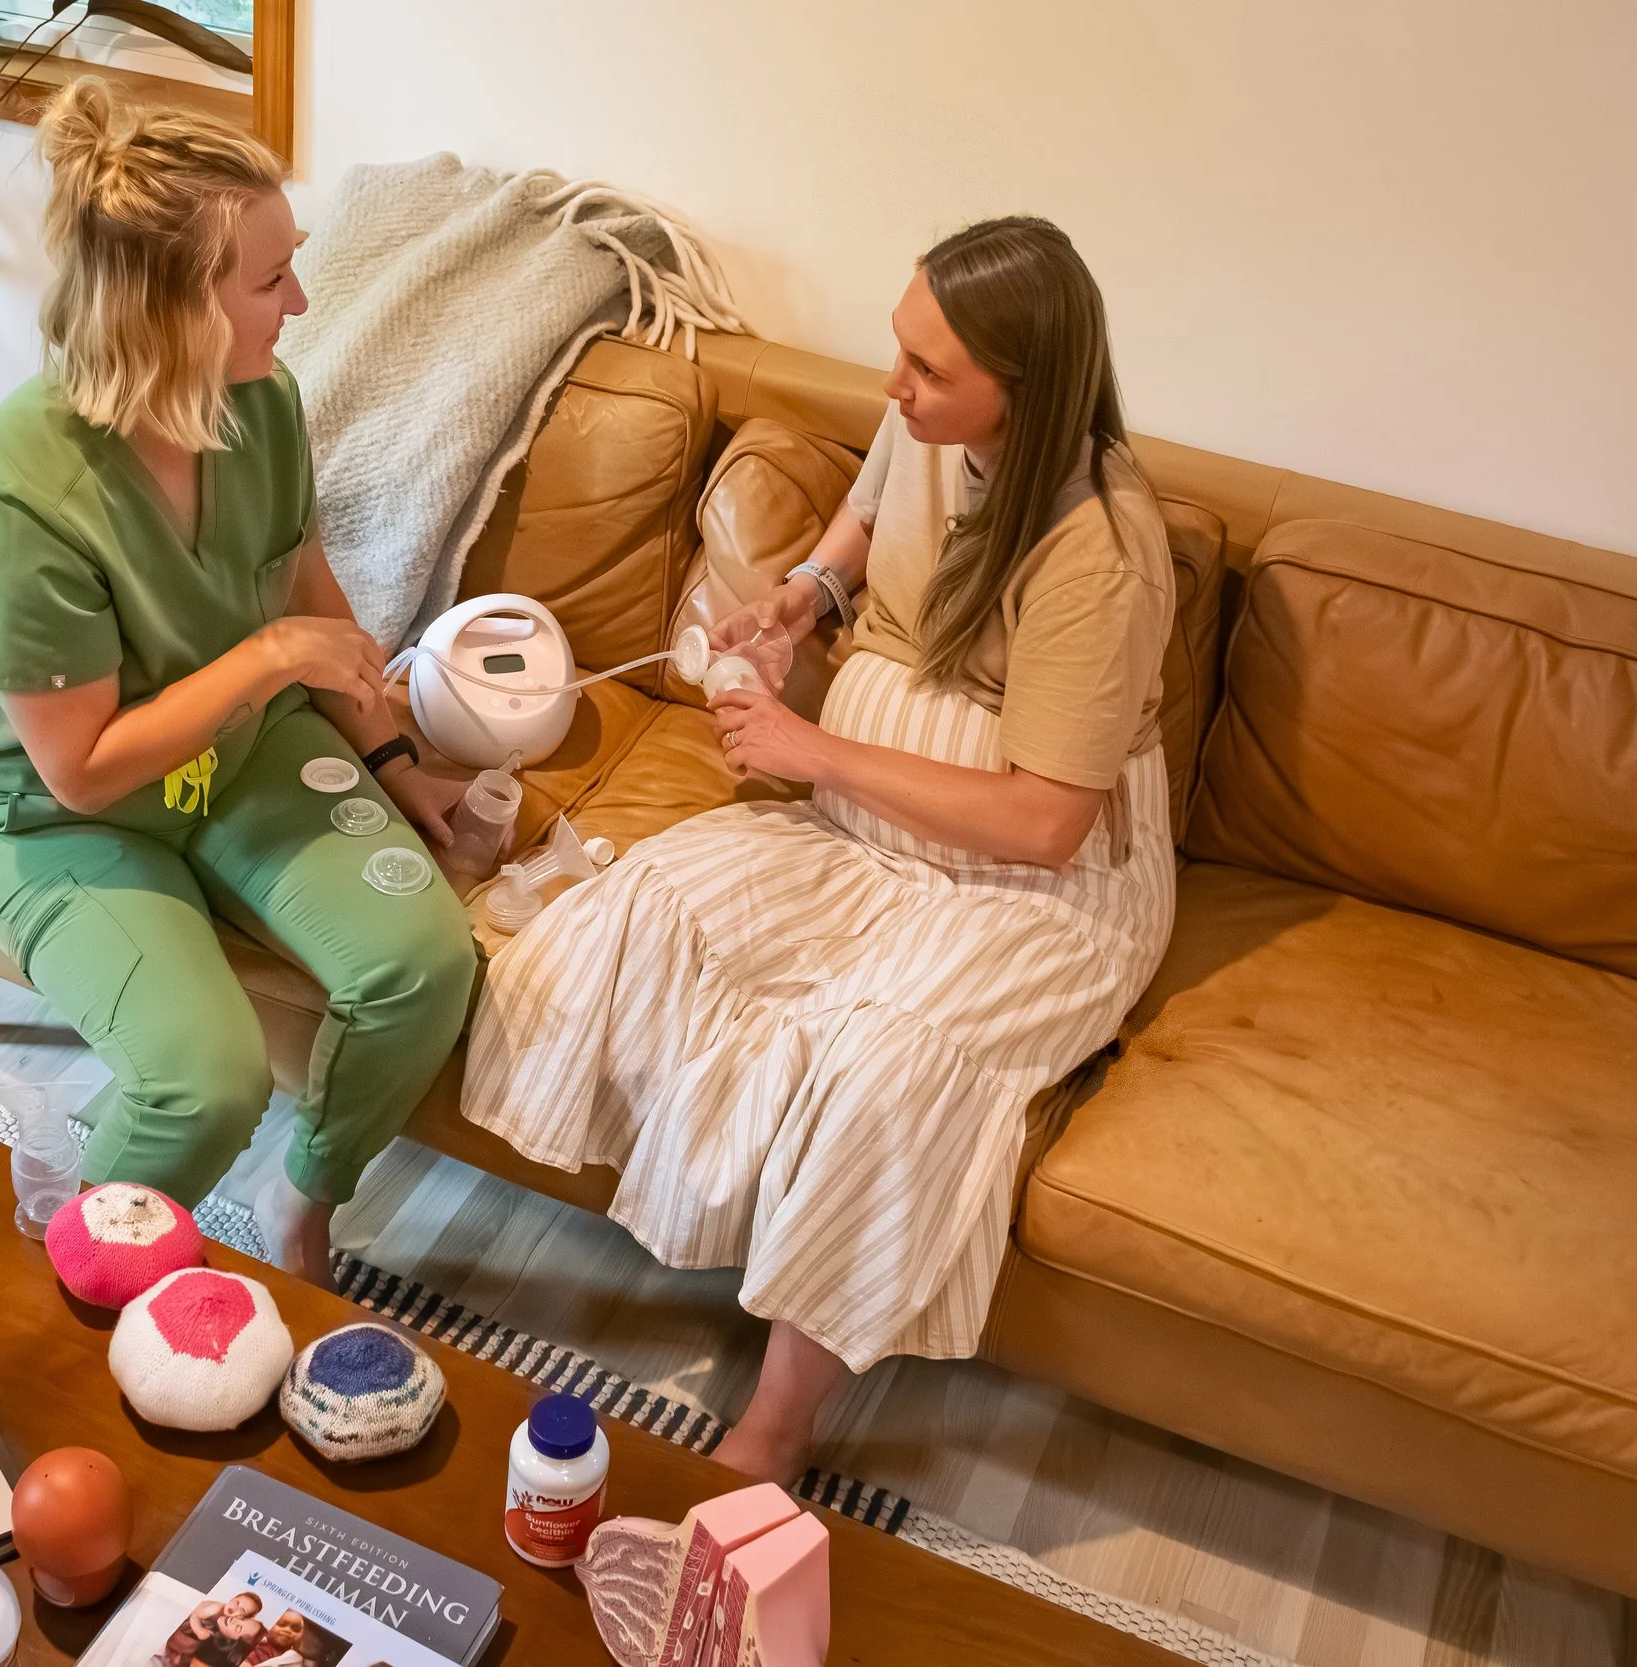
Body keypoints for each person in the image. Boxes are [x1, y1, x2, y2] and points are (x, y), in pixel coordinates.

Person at [461, 217, 1177, 1484]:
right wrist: (806, 595)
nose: (893, 387)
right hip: (860, 830)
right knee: (643, 908)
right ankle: (632, 1241)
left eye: (928, 370)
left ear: (1026, 389)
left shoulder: (1100, 553)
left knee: (879, 1066)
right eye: (899, 351)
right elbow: (864, 514)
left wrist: (812, 750)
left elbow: (1044, 819)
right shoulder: (929, 427)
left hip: (1033, 885)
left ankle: (778, 1423)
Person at [0, 81, 476, 1284]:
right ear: (168, 309)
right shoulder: (17, 492)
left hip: (234, 754)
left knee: (423, 965)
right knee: (203, 1081)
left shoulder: (261, 401)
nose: (302, 301)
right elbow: (80, 771)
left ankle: (304, 1198)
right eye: (271, 279)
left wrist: (393, 755)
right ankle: (73, 1285)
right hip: (57, 820)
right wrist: (271, 657)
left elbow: (300, 578)